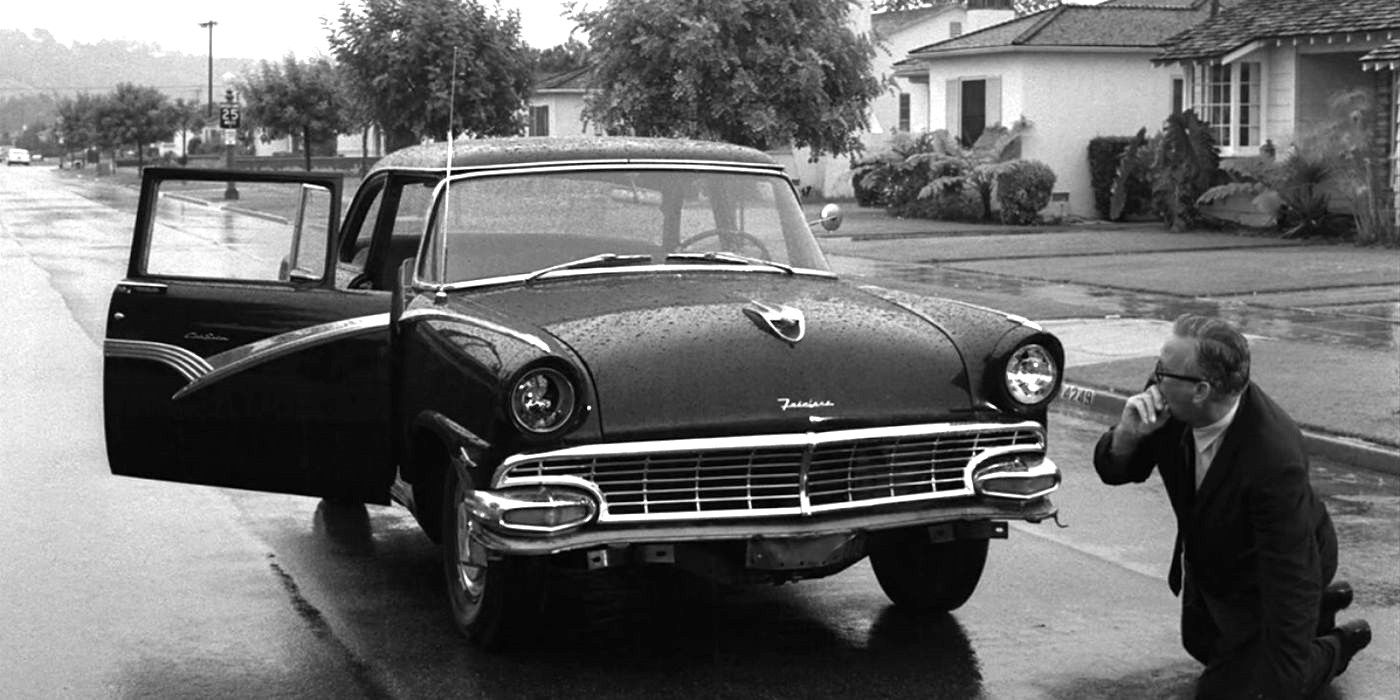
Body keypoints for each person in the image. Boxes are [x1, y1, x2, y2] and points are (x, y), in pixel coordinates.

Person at [1092, 314, 1370, 698]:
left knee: (1253, 686)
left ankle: (1340, 644)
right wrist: (1126, 435)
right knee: (1202, 646)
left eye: (1163, 370)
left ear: (1202, 390)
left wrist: (1283, 674)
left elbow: (1289, 575)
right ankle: (1323, 607)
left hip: (1284, 564)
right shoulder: (1171, 398)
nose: (1154, 380)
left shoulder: (1273, 456)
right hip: (1217, 563)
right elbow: (1116, 470)